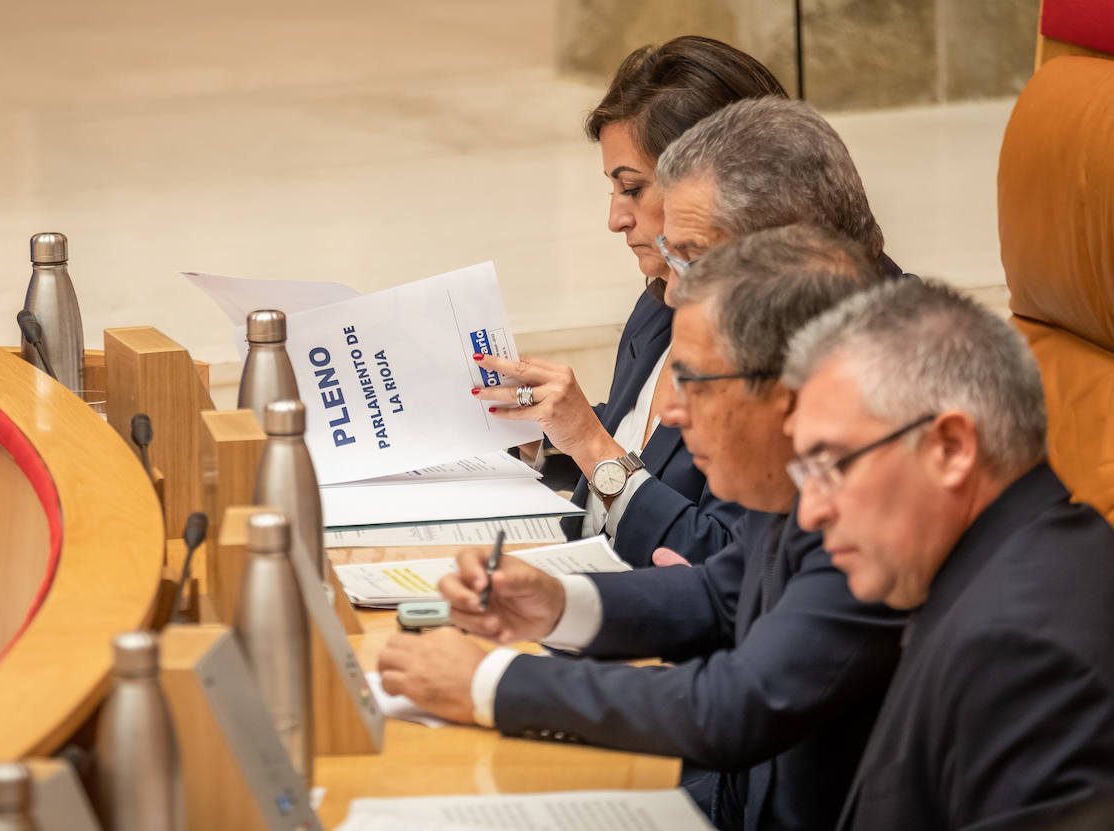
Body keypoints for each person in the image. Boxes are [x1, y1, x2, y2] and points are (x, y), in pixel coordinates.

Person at [382, 224, 906, 831]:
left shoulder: (876, 516)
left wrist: (491, 682)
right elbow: (719, 592)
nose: (672, 414)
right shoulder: (806, 484)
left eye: (695, 383)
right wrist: (554, 603)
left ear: (791, 395)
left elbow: (735, 706)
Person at [782, 279, 1114, 831]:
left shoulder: (1021, 654)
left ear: (951, 448)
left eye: (832, 466)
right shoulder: (1004, 566)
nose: (810, 513)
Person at [481, 37, 786, 567]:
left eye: (633, 189)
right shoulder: (661, 303)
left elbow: (728, 567)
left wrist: (590, 442)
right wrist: (533, 429)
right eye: (613, 189)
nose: (615, 219)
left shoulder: (791, 344)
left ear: (720, 185)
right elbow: (644, 450)